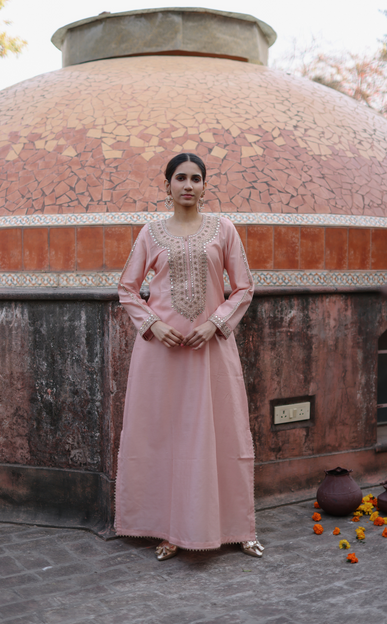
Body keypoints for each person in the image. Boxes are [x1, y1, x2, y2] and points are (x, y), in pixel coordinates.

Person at [116, 153, 263, 560]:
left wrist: (215, 323)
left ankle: (237, 527)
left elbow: (244, 287)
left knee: (222, 433)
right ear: (166, 186)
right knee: (165, 437)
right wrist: (151, 324)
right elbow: (127, 288)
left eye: (195, 178)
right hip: (161, 356)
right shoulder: (150, 233)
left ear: (204, 186)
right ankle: (169, 529)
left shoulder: (223, 230)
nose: (187, 185)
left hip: (211, 352)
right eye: (179, 178)